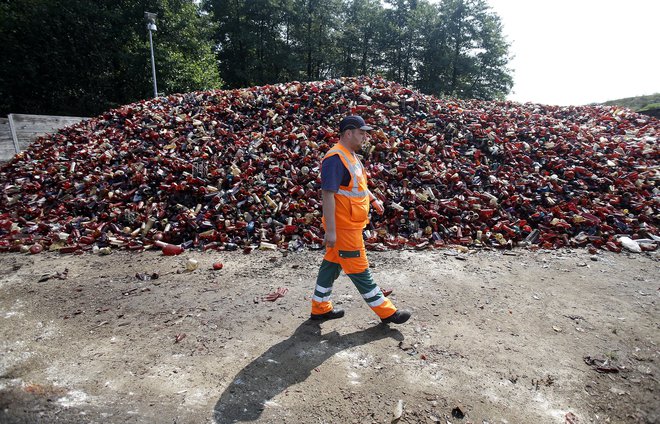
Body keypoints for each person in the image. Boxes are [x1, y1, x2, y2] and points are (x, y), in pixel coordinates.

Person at [310, 115, 412, 325]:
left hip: (352, 225)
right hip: (344, 228)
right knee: (359, 269)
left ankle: (319, 307)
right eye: (361, 132)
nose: (366, 136)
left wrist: (373, 199)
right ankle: (387, 312)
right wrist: (330, 231)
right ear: (348, 133)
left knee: (331, 265)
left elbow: (358, 186)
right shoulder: (335, 159)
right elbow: (327, 195)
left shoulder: (352, 157)